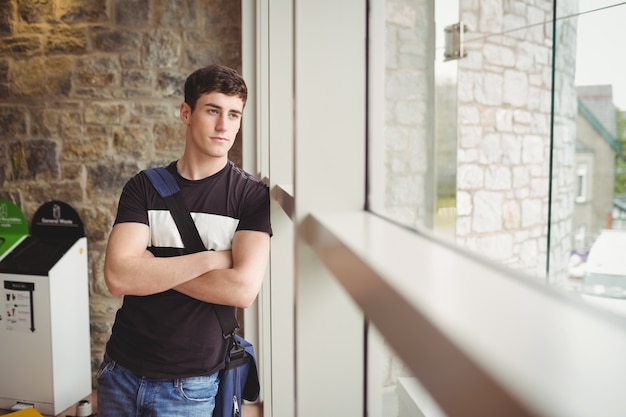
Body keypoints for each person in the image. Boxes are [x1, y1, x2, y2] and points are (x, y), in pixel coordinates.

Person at [97, 64, 272, 417]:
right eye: (213, 111)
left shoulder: (251, 197)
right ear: (186, 113)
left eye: (234, 114)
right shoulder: (144, 187)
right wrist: (212, 260)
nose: (224, 125)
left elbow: (241, 291)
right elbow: (118, 278)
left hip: (190, 384)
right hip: (120, 371)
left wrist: (151, 268)